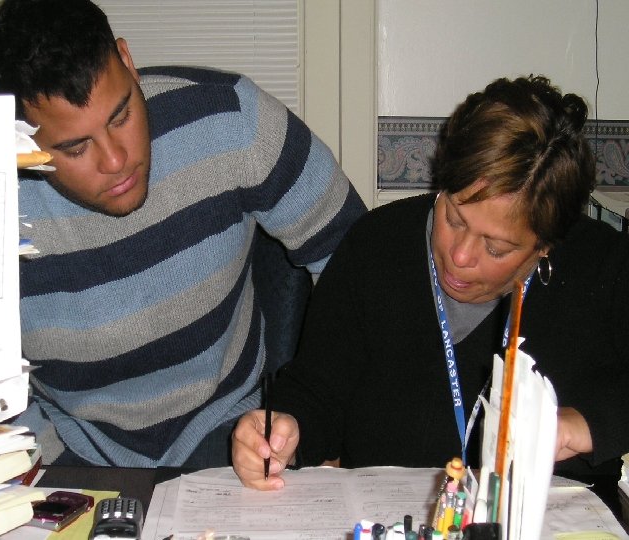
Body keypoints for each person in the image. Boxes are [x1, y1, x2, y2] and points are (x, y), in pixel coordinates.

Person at [0, 0, 366, 468]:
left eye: (121, 116)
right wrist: (41, 466)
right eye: (76, 147)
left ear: (127, 61)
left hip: (234, 434)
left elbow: (361, 262)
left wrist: (317, 418)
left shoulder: (229, 117)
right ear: (19, 137)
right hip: (73, 451)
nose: (116, 160)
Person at [232, 75, 629, 491]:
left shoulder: (604, 266)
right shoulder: (377, 244)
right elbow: (318, 390)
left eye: (495, 248)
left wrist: (585, 424)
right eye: (453, 218)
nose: (460, 256)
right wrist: (284, 430)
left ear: (545, 246)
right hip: (386, 513)